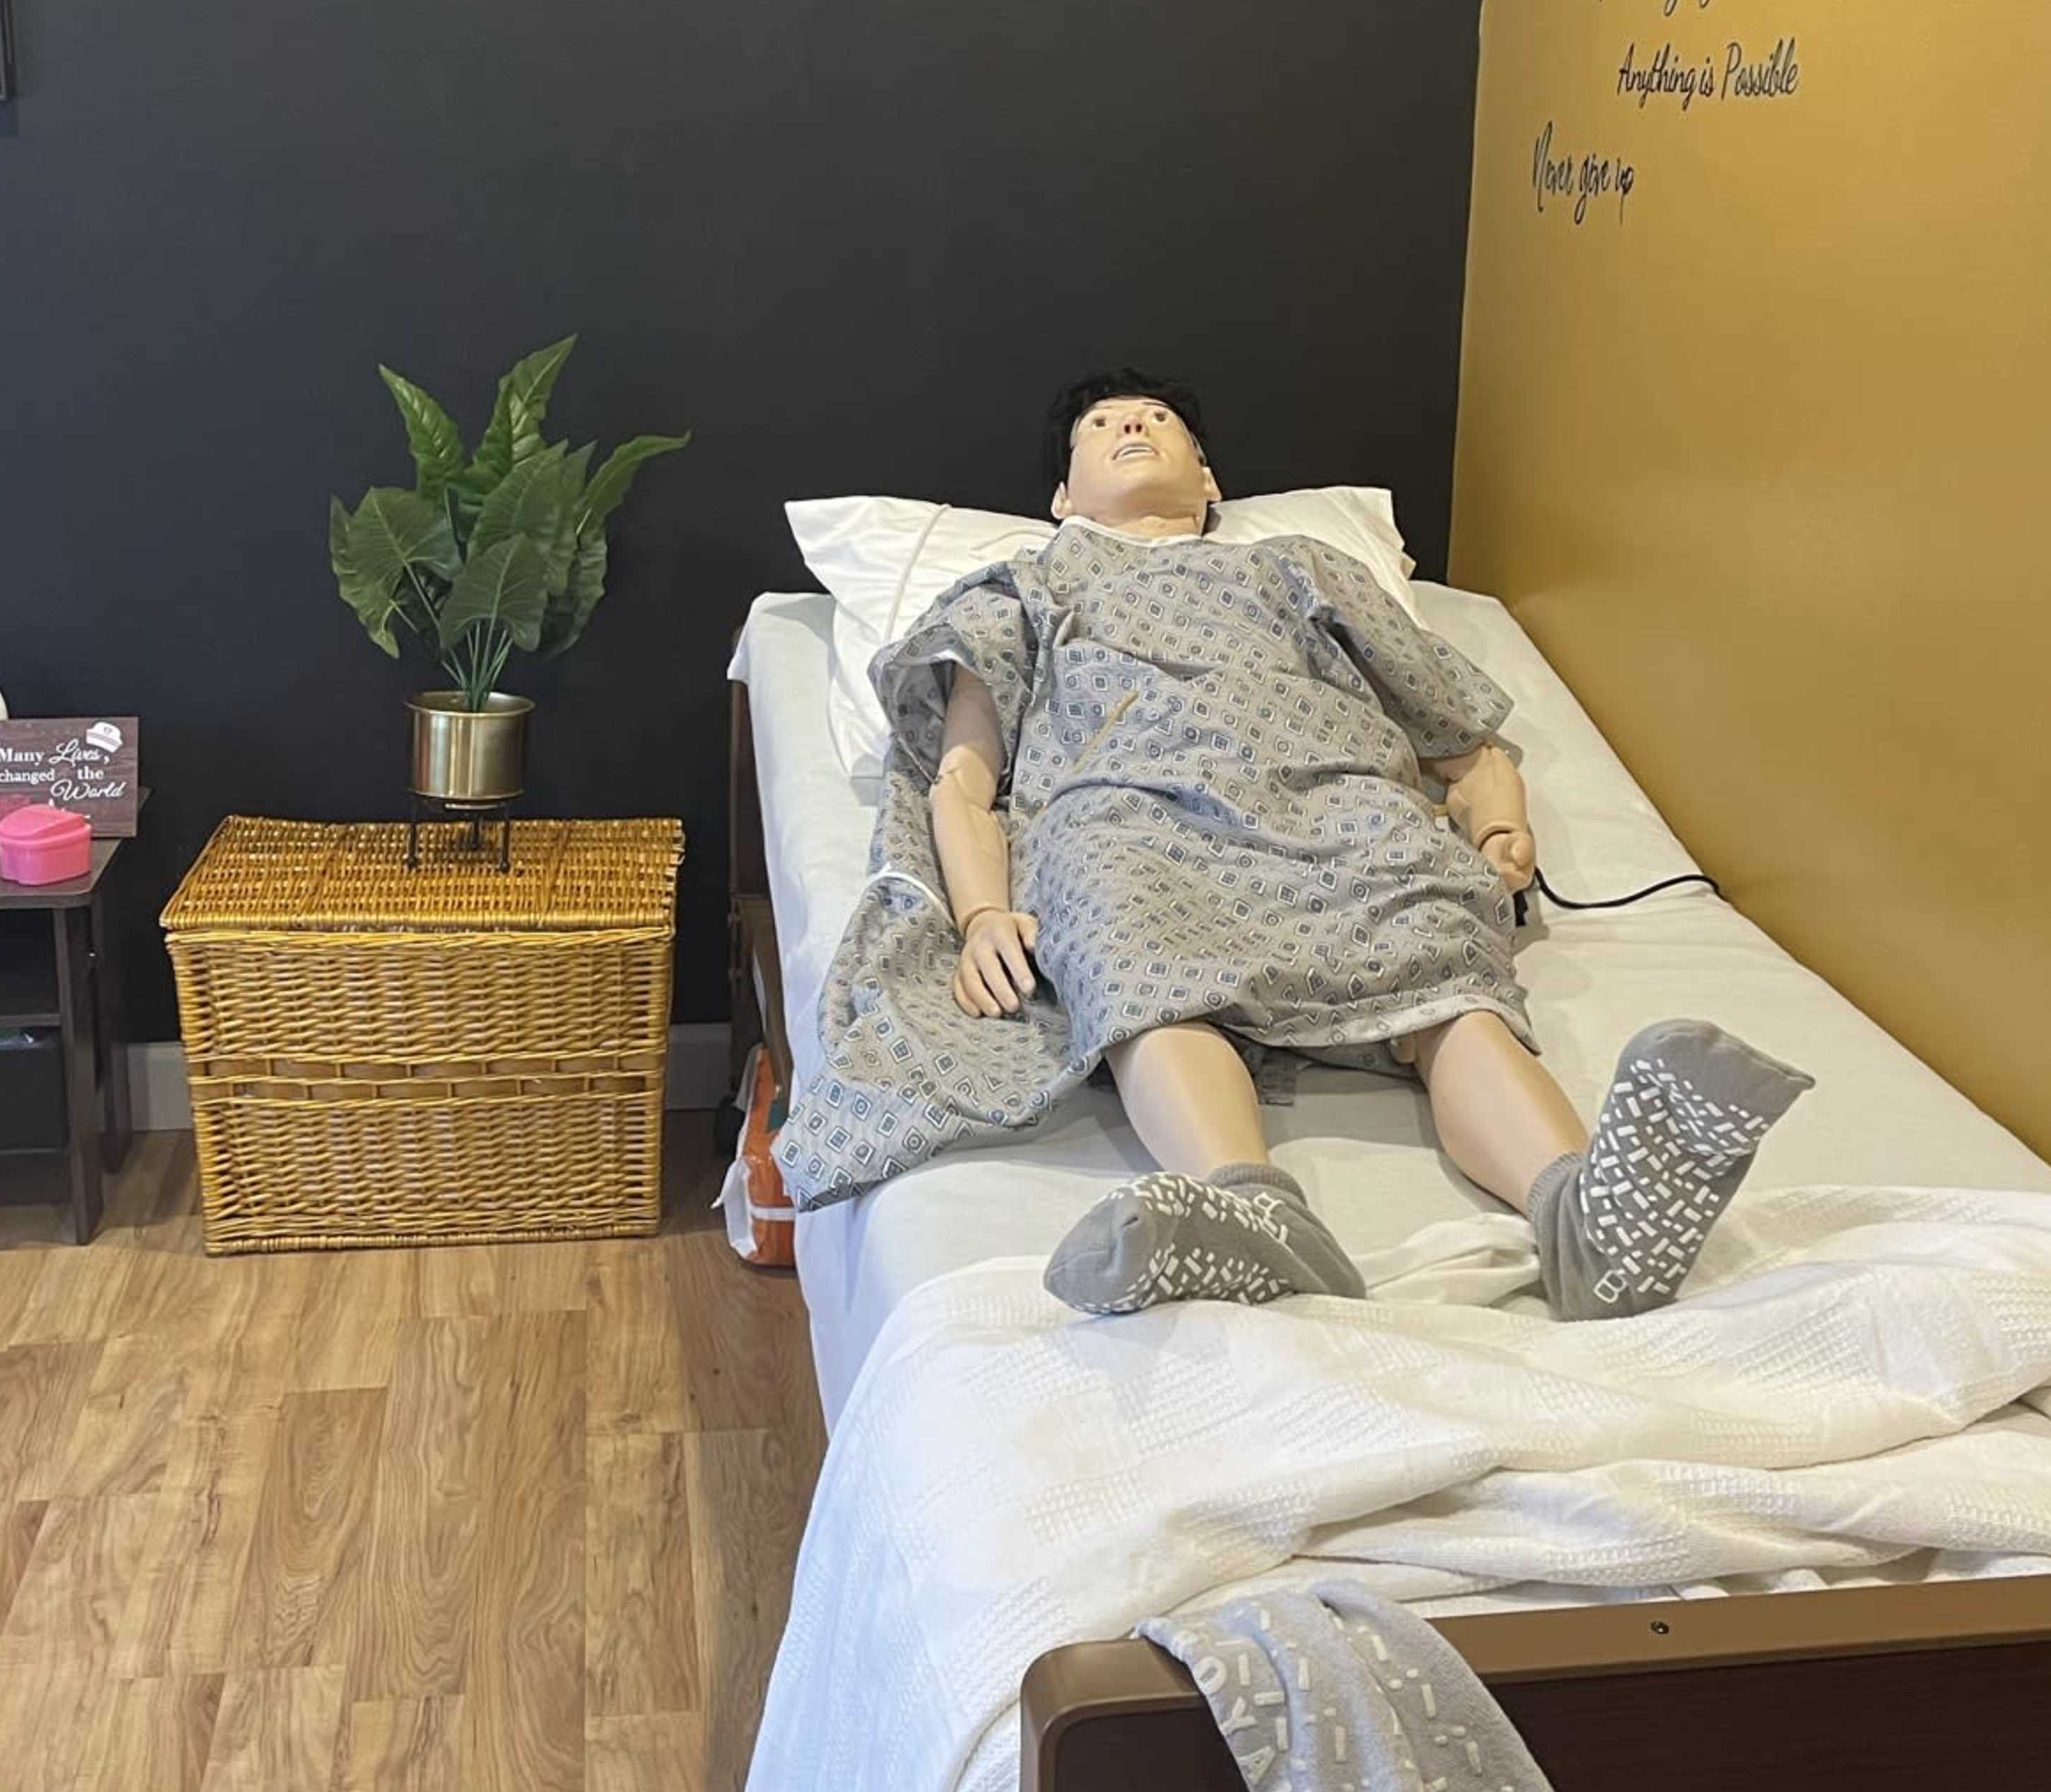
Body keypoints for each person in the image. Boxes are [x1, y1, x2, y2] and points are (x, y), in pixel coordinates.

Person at [775, 372, 1809, 1318]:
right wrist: (982, 912)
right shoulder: (1023, 591)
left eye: (1159, 420)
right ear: (1061, 498)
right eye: (1103, 426)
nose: (1133, 425)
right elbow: (964, 780)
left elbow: (1459, 736)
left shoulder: (1302, 570)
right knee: (1129, 940)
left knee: (1444, 975)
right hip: (1129, 811)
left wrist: (1501, 827)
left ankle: (1586, 1213)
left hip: (1337, 797)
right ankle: (1255, 1210)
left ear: (1210, 478)